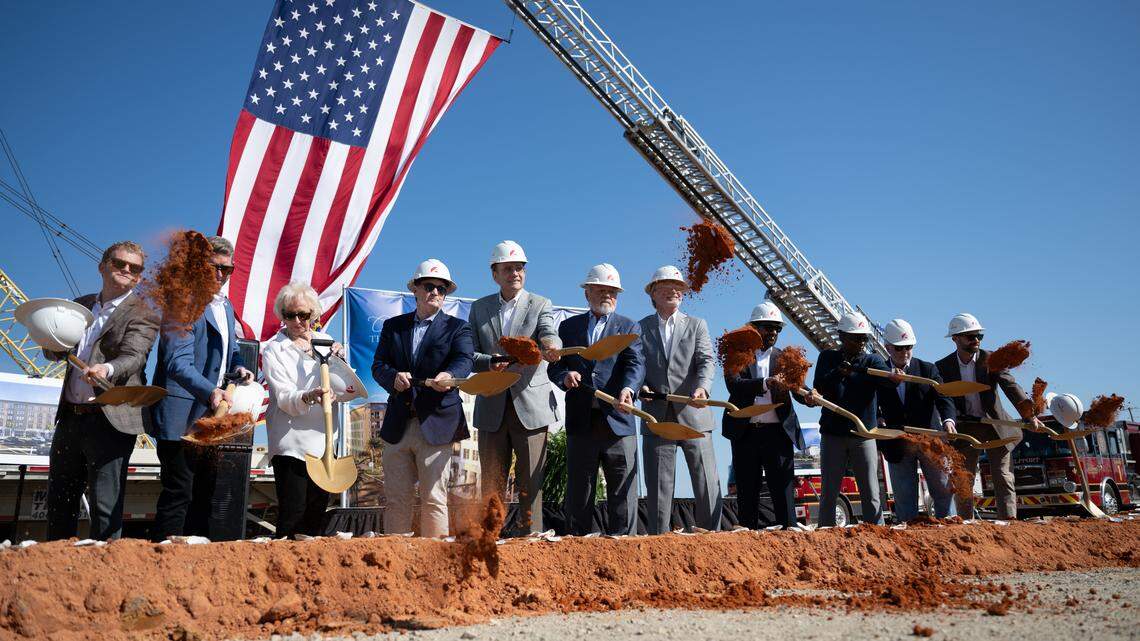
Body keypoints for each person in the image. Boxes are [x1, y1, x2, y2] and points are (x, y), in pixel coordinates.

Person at [44, 241, 160, 540]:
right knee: (60, 500)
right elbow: (56, 351)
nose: (126, 270)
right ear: (103, 266)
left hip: (109, 421)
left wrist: (106, 369)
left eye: (134, 268)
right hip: (70, 417)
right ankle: (57, 562)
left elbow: (135, 356)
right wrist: (48, 341)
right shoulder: (79, 306)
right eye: (119, 263)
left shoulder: (144, 312)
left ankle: (105, 567)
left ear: (139, 277)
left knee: (105, 506)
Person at [150, 236, 252, 541]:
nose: (220, 274)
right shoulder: (183, 301)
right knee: (179, 491)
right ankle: (163, 556)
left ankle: (196, 558)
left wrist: (239, 367)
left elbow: (231, 351)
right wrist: (211, 391)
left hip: (211, 415)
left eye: (227, 269)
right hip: (180, 413)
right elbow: (176, 362)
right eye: (213, 267)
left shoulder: (226, 306)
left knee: (205, 493)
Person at [371, 259, 473, 537]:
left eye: (442, 289)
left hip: (437, 424)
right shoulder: (394, 327)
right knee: (396, 500)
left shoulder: (458, 328)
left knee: (434, 499)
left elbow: (464, 359)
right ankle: (395, 559)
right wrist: (393, 378)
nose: (435, 292)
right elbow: (378, 365)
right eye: (429, 286)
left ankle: (436, 559)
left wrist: (449, 375)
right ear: (415, 289)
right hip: (398, 424)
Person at [469, 241, 561, 534]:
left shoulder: (540, 304)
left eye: (519, 268)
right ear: (494, 274)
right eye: (508, 268)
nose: (515, 274)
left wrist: (551, 345)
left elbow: (548, 332)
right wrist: (489, 362)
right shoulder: (479, 308)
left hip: (530, 406)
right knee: (491, 482)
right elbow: (469, 353)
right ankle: (490, 538)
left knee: (531, 482)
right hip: (492, 404)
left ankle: (531, 537)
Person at [549, 263, 644, 536]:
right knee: (579, 492)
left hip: (618, 420)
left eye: (612, 291)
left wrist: (629, 390)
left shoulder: (628, 327)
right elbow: (555, 366)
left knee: (622, 492)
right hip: (582, 421)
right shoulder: (568, 327)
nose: (607, 295)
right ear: (587, 293)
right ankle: (577, 546)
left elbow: (636, 364)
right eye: (601, 290)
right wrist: (565, 376)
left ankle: (624, 546)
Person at [261, 281, 351, 538]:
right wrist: (309, 396)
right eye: (290, 315)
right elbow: (283, 397)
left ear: (314, 314)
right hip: (291, 445)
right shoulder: (273, 349)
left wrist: (340, 363)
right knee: (293, 516)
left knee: (315, 516)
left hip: (324, 443)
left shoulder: (327, 343)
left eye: (303, 314)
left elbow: (348, 389)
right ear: (282, 315)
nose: (297, 321)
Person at [936, 313, 1045, 520]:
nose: (976, 340)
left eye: (979, 336)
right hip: (966, 428)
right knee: (963, 479)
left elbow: (1011, 387)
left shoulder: (991, 359)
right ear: (955, 339)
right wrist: (947, 421)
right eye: (970, 336)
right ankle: (966, 522)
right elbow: (943, 398)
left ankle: (1008, 522)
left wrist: (1029, 415)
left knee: (1003, 476)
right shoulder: (942, 367)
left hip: (996, 426)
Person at [637, 265, 721, 533]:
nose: (673, 291)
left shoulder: (697, 325)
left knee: (706, 482)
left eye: (678, 287)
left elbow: (707, 361)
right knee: (658, 487)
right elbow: (635, 365)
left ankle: (712, 538)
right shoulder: (640, 328)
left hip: (695, 414)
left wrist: (703, 388)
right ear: (653, 293)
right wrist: (640, 386)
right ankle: (659, 540)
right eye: (666, 286)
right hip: (657, 416)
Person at [806, 311, 903, 526]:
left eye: (863, 339)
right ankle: (826, 530)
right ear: (842, 336)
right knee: (829, 489)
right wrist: (839, 373)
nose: (861, 343)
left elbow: (887, 380)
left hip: (864, 434)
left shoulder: (872, 360)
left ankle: (876, 530)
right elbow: (820, 385)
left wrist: (893, 376)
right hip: (833, 433)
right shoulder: (828, 358)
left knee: (870, 489)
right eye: (856, 338)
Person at [723, 301, 807, 529]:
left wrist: (809, 396)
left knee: (783, 490)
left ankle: (788, 531)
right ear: (753, 329)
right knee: (747, 490)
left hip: (778, 434)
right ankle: (748, 535)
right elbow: (734, 385)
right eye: (768, 327)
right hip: (745, 434)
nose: (773, 333)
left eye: (777, 328)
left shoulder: (786, 358)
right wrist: (764, 383)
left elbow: (799, 388)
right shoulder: (736, 355)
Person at [876, 319, 957, 521]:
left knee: (943, 489)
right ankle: (908, 529)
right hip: (898, 442)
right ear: (887, 347)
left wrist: (948, 420)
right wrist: (878, 419)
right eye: (899, 348)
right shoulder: (879, 373)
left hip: (930, 440)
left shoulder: (927, 369)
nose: (905, 352)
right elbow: (871, 401)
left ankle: (949, 525)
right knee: (904, 495)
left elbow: (944, 397)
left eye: (909, 347)